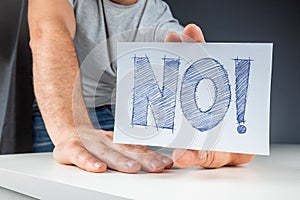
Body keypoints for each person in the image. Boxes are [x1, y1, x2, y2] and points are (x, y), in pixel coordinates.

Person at [28, 0, 255, 173]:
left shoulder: (156, 13)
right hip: (60, 114)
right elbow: (47, 32)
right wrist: (72, 130)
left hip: (118, 118)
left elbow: (184, 52)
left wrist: (227, 136)